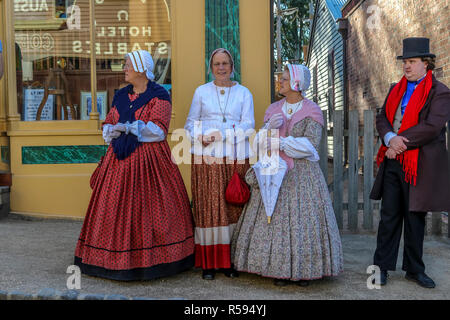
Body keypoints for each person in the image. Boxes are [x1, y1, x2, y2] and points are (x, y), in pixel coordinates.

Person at [74, 50, 195, 281]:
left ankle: (152, 260)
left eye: (128, 65)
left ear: (141, 68)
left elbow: (158, 130)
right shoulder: (121, 95)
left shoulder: (159, 95)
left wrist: (130, 127)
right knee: (113, 207)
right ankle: (110, 258)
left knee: (151, 207)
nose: (125, 69)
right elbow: (109, 122)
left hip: (150, 161)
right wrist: (112, 129)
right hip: (118, 161)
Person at [231, 64, 343, 287]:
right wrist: (266, 131)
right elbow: (259, 144)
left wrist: (280, 142)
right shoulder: (273, 109)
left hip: (302, 176)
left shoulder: (312, 111)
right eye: (280, 79)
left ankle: (304, 270)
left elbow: (310, 145)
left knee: (303, 223)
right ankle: (277, 270)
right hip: (274, 174)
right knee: (274, 221)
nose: (279, 82)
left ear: (296, 84)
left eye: (283, 79)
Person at [370, 37, 450, 288]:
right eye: (405, 61)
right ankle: (381, 268)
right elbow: (383, 116)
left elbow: (432, 126)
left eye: (412, 61)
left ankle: (414, 269)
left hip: (419, 164)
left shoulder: (440, 92)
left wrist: (397, 143)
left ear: (426, 64)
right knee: (389, 217)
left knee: (415, 219)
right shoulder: (396, 88)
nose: (407, 66)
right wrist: (390, 138)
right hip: (394, 163)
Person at [184, 48, 255, 280]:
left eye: (225, 63)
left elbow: (248, 126)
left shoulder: (244, 93)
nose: (221, 68)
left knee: (232, 208)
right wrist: (201, 135)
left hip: (235, 157)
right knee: (209, 208)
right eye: (217, 64)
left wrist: (219, 134)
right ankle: (209, 263)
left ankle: (230, 261)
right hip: (206, 158)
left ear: (232, 67)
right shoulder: (201, 92)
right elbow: (190, 124)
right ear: (211, 67)